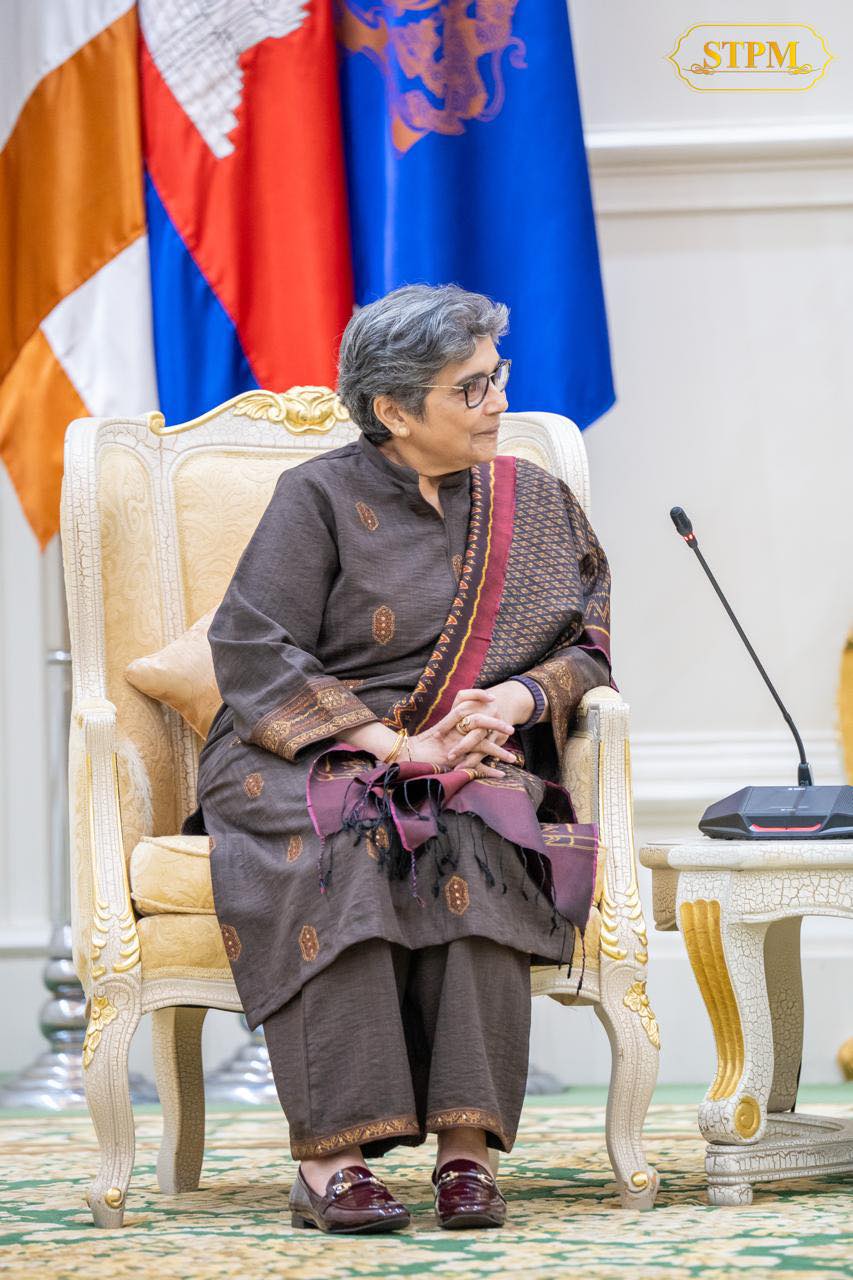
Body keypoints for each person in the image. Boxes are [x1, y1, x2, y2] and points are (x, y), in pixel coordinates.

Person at [185, 284, 612, 1234]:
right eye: (470, 387)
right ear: (393, 409)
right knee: (350, 836)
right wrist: (391, 744)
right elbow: (251, 646)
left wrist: (515, 699)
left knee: (479, 830)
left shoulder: (533, 501)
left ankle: (466, 1152)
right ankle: (331, 1161)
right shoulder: (318, 497)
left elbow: (588, 644)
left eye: (496, 376)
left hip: (470, 744)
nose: (498, 401)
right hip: (308, 746)